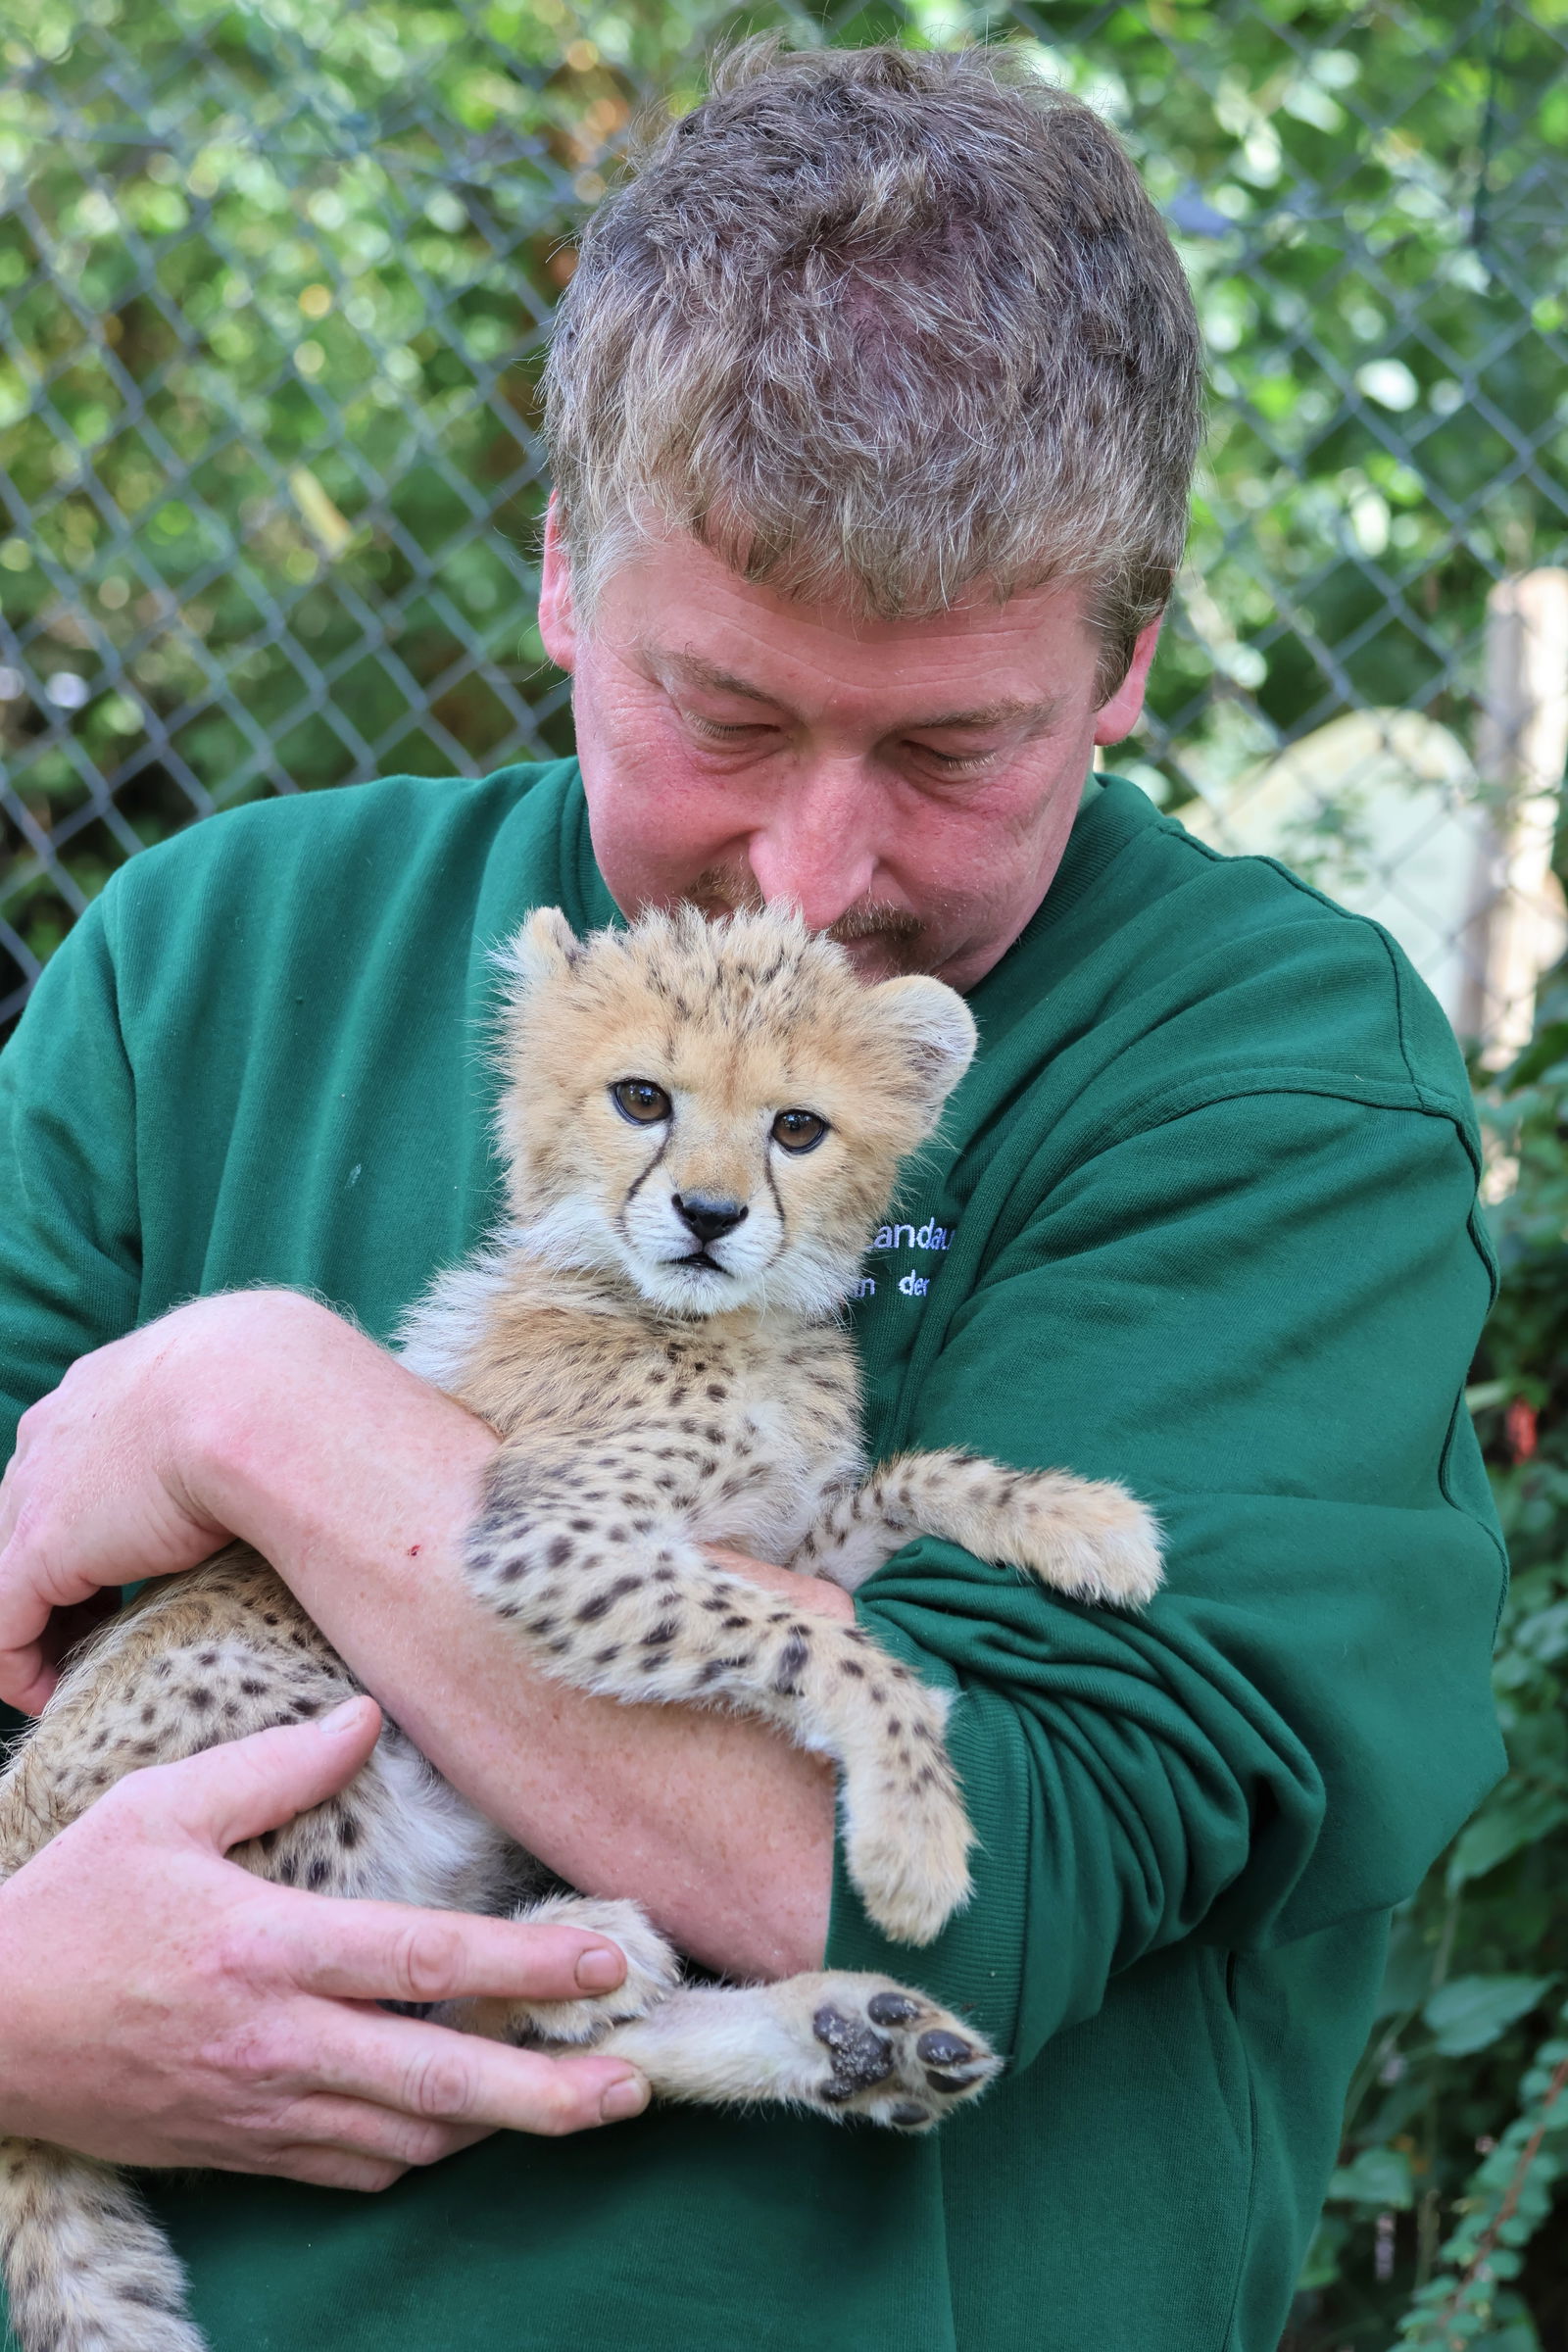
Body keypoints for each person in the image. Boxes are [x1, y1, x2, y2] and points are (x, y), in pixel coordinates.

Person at [0, 39, 1504, 2352]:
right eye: (720, 715)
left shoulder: (1269, 1079)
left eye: (945, 750)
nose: (815, 878)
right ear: (559, 579)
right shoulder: (205, 957)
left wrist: (254, 1413)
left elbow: (929, 1892)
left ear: (1121, 658)